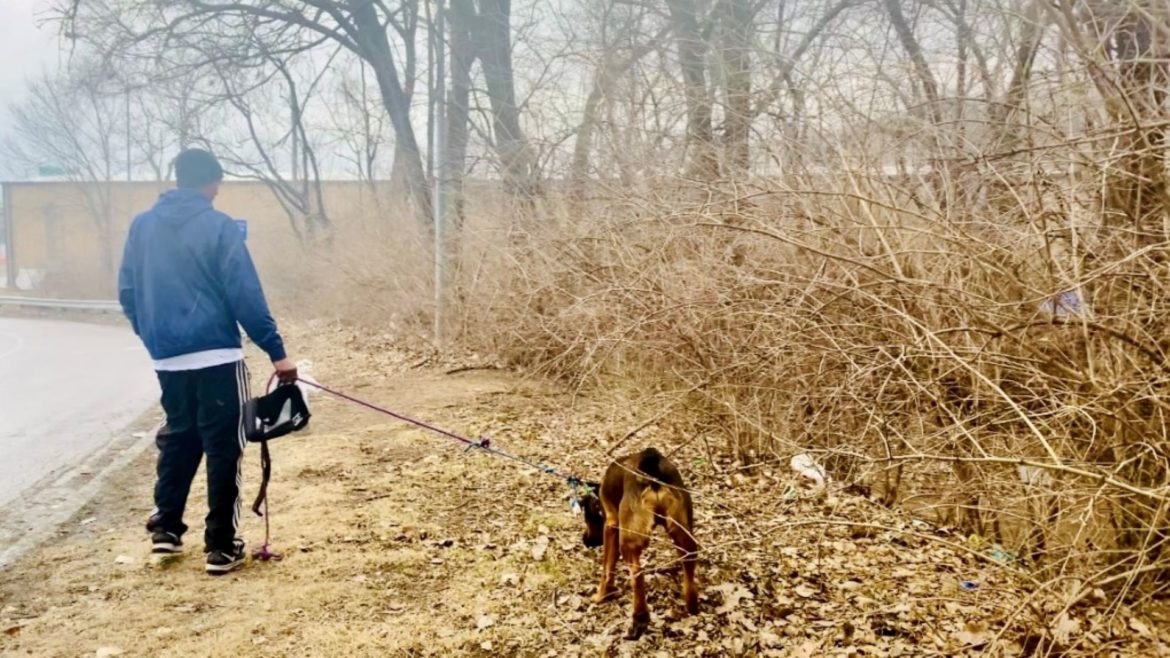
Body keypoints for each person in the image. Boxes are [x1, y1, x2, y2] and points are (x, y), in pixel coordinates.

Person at [117, 148, 297, 575]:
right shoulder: (219, 226)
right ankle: (221, 546)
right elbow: (244, 294)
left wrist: (154, 337)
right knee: (223, 446)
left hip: (168, 359)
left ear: (177, 179)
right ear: (212, 182)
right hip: (217, 353)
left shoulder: (141, 227)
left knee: (178, 439)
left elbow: (127, 293)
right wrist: (277, 351)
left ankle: (166, 530)